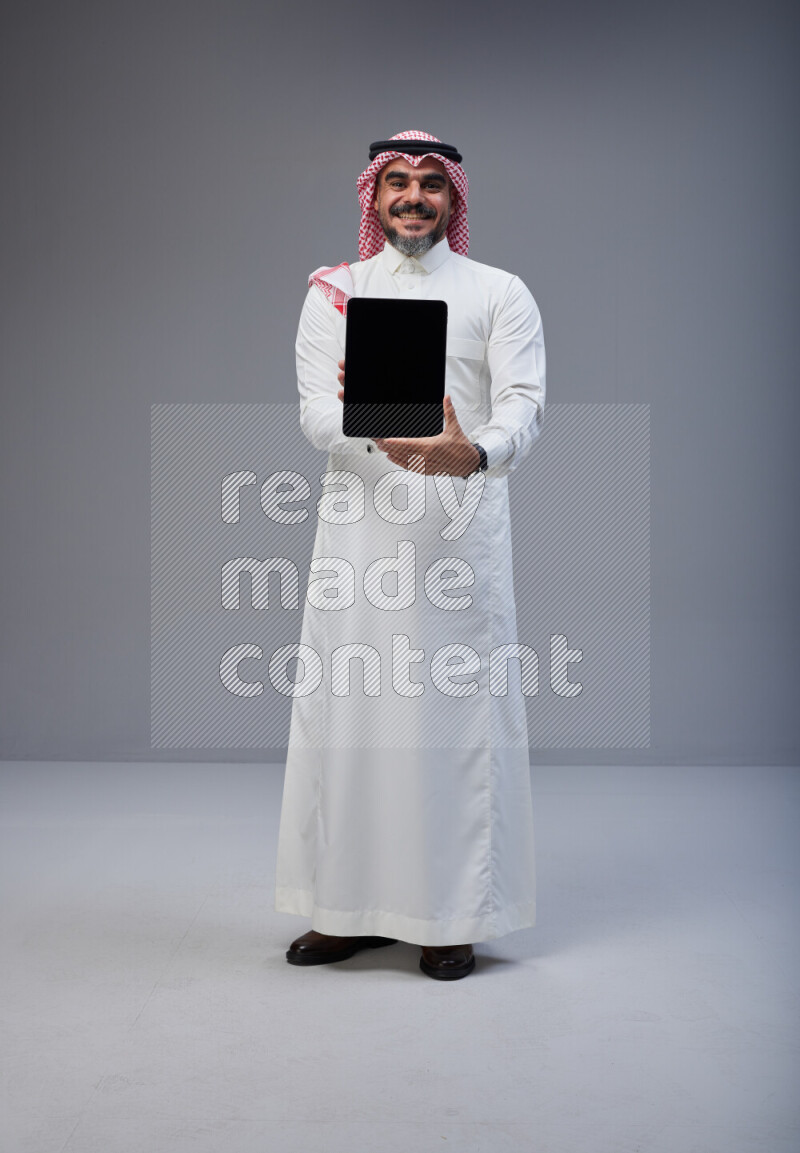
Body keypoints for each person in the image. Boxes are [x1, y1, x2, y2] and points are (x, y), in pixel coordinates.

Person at [274, 130, 546, 980]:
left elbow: (524, 404)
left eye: (431, 183)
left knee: (449, 724)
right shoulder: (337, 290)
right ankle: (344, 910)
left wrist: (474, 452)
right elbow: (316, 410)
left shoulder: (500, 291)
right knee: (352, 719)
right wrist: (390, 434)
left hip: (458, 534)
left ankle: (449, 915)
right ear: (375, 195)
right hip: (360, 532)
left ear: (453, 198)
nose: (414, 197)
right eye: (398, 182)